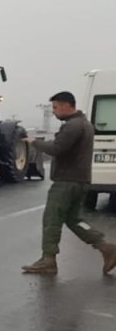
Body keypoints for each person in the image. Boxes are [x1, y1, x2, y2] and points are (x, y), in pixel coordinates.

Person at [21, 91, 116, 275]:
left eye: (56, 107)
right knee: (74, 220)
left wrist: (35, 142)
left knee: (51, 219)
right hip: (81, 181)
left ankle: (48, 259)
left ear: (66, 105)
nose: (54, 112)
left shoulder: (72, 126)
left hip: (66, 182)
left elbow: (57, 148)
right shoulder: (85, 124)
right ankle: (106, 247)